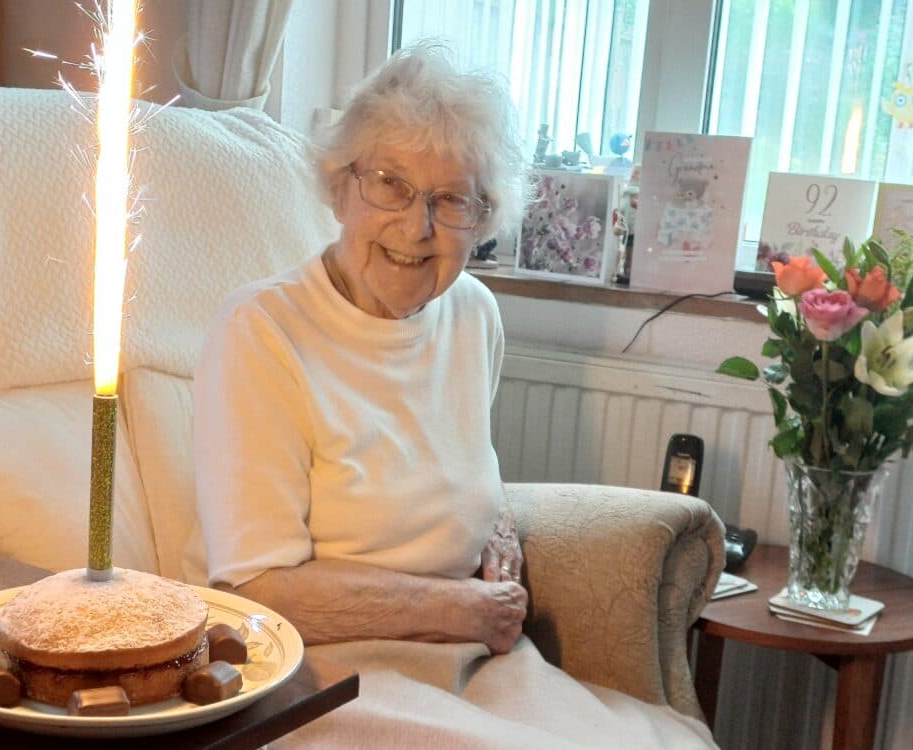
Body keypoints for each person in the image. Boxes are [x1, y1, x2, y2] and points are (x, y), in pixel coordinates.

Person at [194, 43, 717, 749]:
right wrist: (460, 609)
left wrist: (496, 520)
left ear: (484, 218)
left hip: (474, 662)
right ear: (340, 188)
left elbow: (453, 469)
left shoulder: (472, 313)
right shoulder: (262, 331)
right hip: (322, 675)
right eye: (390, 184)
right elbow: (254, 591)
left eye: (451, 201)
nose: (418, 228)